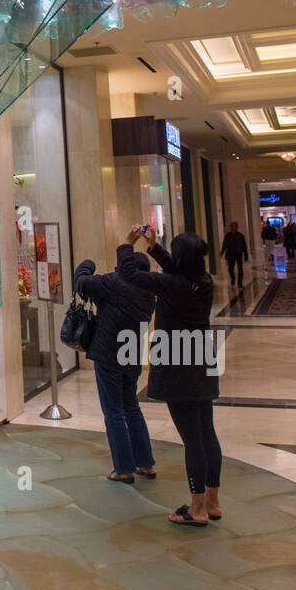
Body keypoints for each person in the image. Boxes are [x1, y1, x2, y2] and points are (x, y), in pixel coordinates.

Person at [120, 226, 220, 527]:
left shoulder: (171, 285)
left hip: (177, 365)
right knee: (207, 432)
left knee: (192, 439)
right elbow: (178, 270)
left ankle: (197, 508)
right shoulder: (203, 281)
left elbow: (130, 274)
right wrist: (154, 247)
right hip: (202, 360)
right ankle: (213, 502)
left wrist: (128, 244)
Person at [73, 243, 157, 484]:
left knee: (114, 412)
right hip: (131, 354)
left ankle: (123, 468)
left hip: (108, 353)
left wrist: (86, 264)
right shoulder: (148, 293)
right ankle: (145, 462)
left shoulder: (114, 283)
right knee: (132, 408)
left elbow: (82, 283)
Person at [220, 221, 248, 289]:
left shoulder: (240, 235)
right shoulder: (227, 235)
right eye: (231, 226)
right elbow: (225, 244)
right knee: (230, 269)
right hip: (230, 254)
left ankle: (240, 283)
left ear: (236, 227)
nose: (232, 228)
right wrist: (222, 252)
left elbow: (244, 246)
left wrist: (246, 255)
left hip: (238, 253)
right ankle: (233, 277)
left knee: (240, 269)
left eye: (234, 226)